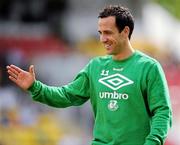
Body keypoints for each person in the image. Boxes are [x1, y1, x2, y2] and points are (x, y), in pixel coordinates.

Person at [7, 5, 172, 145]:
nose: (102, 39)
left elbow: (162, 111)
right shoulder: (95, 66)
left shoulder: (149, 68)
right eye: (100, 33)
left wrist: (152, 142)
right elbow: (66, 96)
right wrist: (35, 87)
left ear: (125, 31)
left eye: (108, 32)